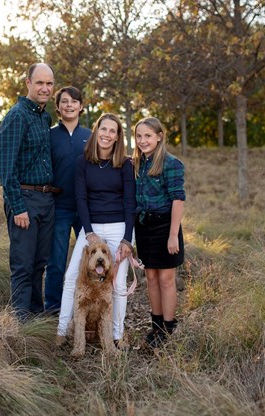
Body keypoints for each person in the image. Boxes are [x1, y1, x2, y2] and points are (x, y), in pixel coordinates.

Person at [57, 113, 136, 347]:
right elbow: (81, 198)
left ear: (118, 136)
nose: (107, 135)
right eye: (104, 129)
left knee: (118, 283)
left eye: (113, 131)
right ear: (96, 130)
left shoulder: (125, 163)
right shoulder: (83, 161)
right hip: (90, 228)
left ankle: (116, 336)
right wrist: (88, 232)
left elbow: (130, 203)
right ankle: (62, 332)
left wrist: (127, 240)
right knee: (72, 276)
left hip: (118, 227)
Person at [0, 63, 57, 320]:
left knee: (39, 264)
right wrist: (18, 207)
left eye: (49, 84)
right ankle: (20, 326)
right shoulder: (17, 115)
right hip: (25, 200)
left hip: (46, 199)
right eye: (40, 83)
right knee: (23, 265)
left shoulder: (44, 116)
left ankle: (35, 317)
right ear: (28, 83)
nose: (45, 88)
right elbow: (6, 170)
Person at [132, 116, 185, 348]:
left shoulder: (171, 163)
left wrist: (173, 235)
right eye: (139, 136)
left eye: (148, 136)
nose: (143, 140)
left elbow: (178, 200)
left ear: (159, 136)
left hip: (165, 226)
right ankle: (157, 326)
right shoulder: (136, 163)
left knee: (165, 278)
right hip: (144, 226)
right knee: (150, 277)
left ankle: (169, 326)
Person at [44, 86, 92, 313]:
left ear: (81, 106)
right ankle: (53, 309)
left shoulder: (90, 137)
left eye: (74, 101)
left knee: (90, 261)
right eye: (64, 101)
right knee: (56, 262)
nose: (69, 105)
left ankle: (88, 307)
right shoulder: (50, 136)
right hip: (60, 207)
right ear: (58, 107)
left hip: (87, 209)